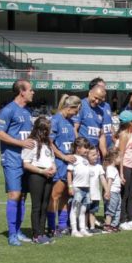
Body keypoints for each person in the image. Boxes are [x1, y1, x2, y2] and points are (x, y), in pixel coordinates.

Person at [0, 80, 35, 246]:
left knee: (23, 196)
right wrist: (21, 143)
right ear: (22, 92)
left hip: (26, 159)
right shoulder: (8, 110)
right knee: (15, 194)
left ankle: (18, 231)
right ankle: (12, 234)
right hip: (12, 158)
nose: (33, 92)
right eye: (31, 90)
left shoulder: (27, 111)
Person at [48, 94, 81, 237]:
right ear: (69, 107)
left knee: (66, 195)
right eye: (76, 110)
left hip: (69, 163)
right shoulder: (55, 120)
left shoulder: (70, 121)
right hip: (60, 163)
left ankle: (62, 225)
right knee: (56, 195)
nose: (76, 114)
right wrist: (63, 156)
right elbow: (49, 143)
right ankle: (51, 226)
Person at [21, 116, 57, 245]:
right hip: (36, 175)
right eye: (46, 130)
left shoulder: (48, 143)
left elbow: (51, 159)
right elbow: (26, 164)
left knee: (45, 205)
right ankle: (36, 234)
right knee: (37, 206)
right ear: (40, 129)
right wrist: (42, 171)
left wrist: (53, 167)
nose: (49, 132)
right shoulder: (31, 143)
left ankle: (42, 232)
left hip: (48, 175)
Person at [115, 110, 132, 229]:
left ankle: (131, 218)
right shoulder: (124, 135)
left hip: (131, 166)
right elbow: (120, 155)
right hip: (124, 166)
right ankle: (122, 220)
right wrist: (120, 173)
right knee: (124, 194)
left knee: (131, 193)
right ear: (129, 123)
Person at [67, 137, 93, 237]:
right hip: (77, 188)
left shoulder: (86, 159)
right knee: (75, 209)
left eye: (87, 148)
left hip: (86, 188)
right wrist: (70, 186)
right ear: (78, 148)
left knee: (83, 210)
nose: (86, 150)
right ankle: (74, 230)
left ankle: (82, 228)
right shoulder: (74, 158)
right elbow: (69, 173)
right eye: (84, 147)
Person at [102, 151, 123, 232]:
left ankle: (114, 225)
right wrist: (107, 191)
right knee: (111, 209)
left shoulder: (114, 169)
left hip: (117, 192)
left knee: (118, 209)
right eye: (119, 158)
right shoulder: (110, 168)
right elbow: (109, 181)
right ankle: (107, 225)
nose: (121, 160)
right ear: (114, 159)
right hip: (113, 192)